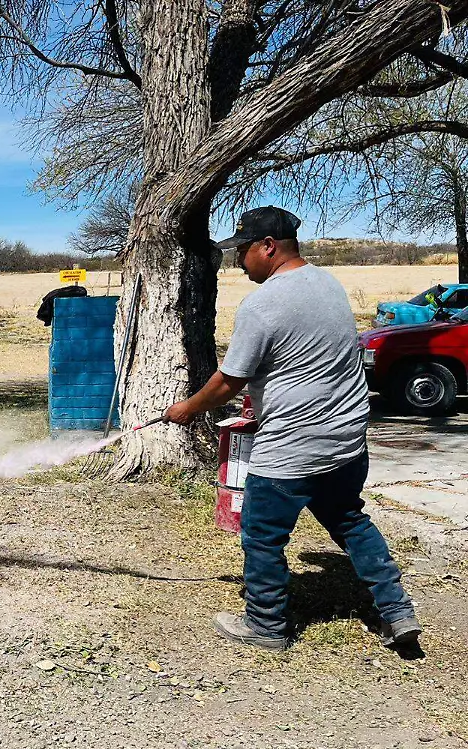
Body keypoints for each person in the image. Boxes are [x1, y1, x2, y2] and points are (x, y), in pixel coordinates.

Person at [163, 206, 420, 650]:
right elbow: (305, 358)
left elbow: (228, 380)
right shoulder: (328, 283)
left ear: (268, 247)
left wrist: (187, 408)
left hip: (291, 449)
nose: (238, 262)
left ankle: (265, 626)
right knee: (350, 520)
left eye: (243, 251)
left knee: (262, 534)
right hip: (345, 441)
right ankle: (396, 611)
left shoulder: (262, 304)